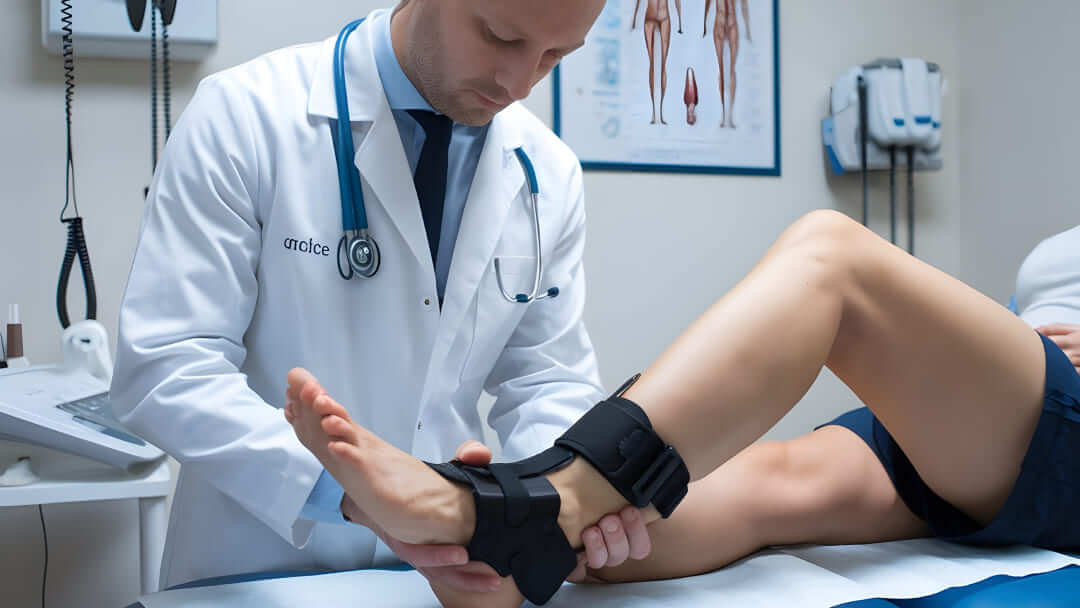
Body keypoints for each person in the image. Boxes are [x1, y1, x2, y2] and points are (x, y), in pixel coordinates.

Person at [286, 210, 1080, 606]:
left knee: (833, 259)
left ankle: (531, 499)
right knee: (764, 487)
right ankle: (503, 552)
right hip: (997, 421)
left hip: (1055, 414)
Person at [110, 0, 640, 591]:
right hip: (257, 572)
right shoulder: (245, 114)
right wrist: (356, 491)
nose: (518, 84)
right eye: (498, 36)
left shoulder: (547, 170)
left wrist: (555, 507)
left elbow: (547, 379)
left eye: (553, 57)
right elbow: (166, 367)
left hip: (435, 579)